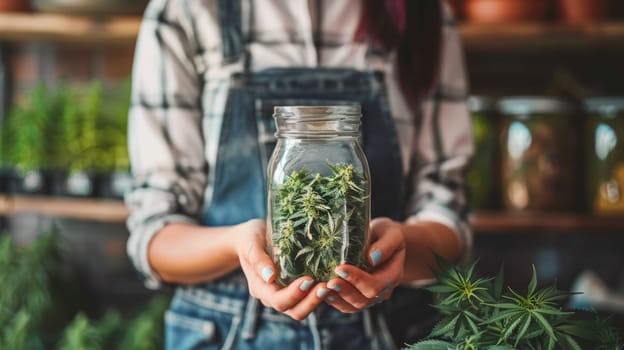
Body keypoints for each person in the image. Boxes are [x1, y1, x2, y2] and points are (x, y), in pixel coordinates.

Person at [125, 0, 473, 349]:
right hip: (224, 330)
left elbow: (449, 221)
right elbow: (154, 235)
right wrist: (239, 244)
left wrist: (399, 247)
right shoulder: (186, 9)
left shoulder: (421, 10)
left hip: (388, 331)